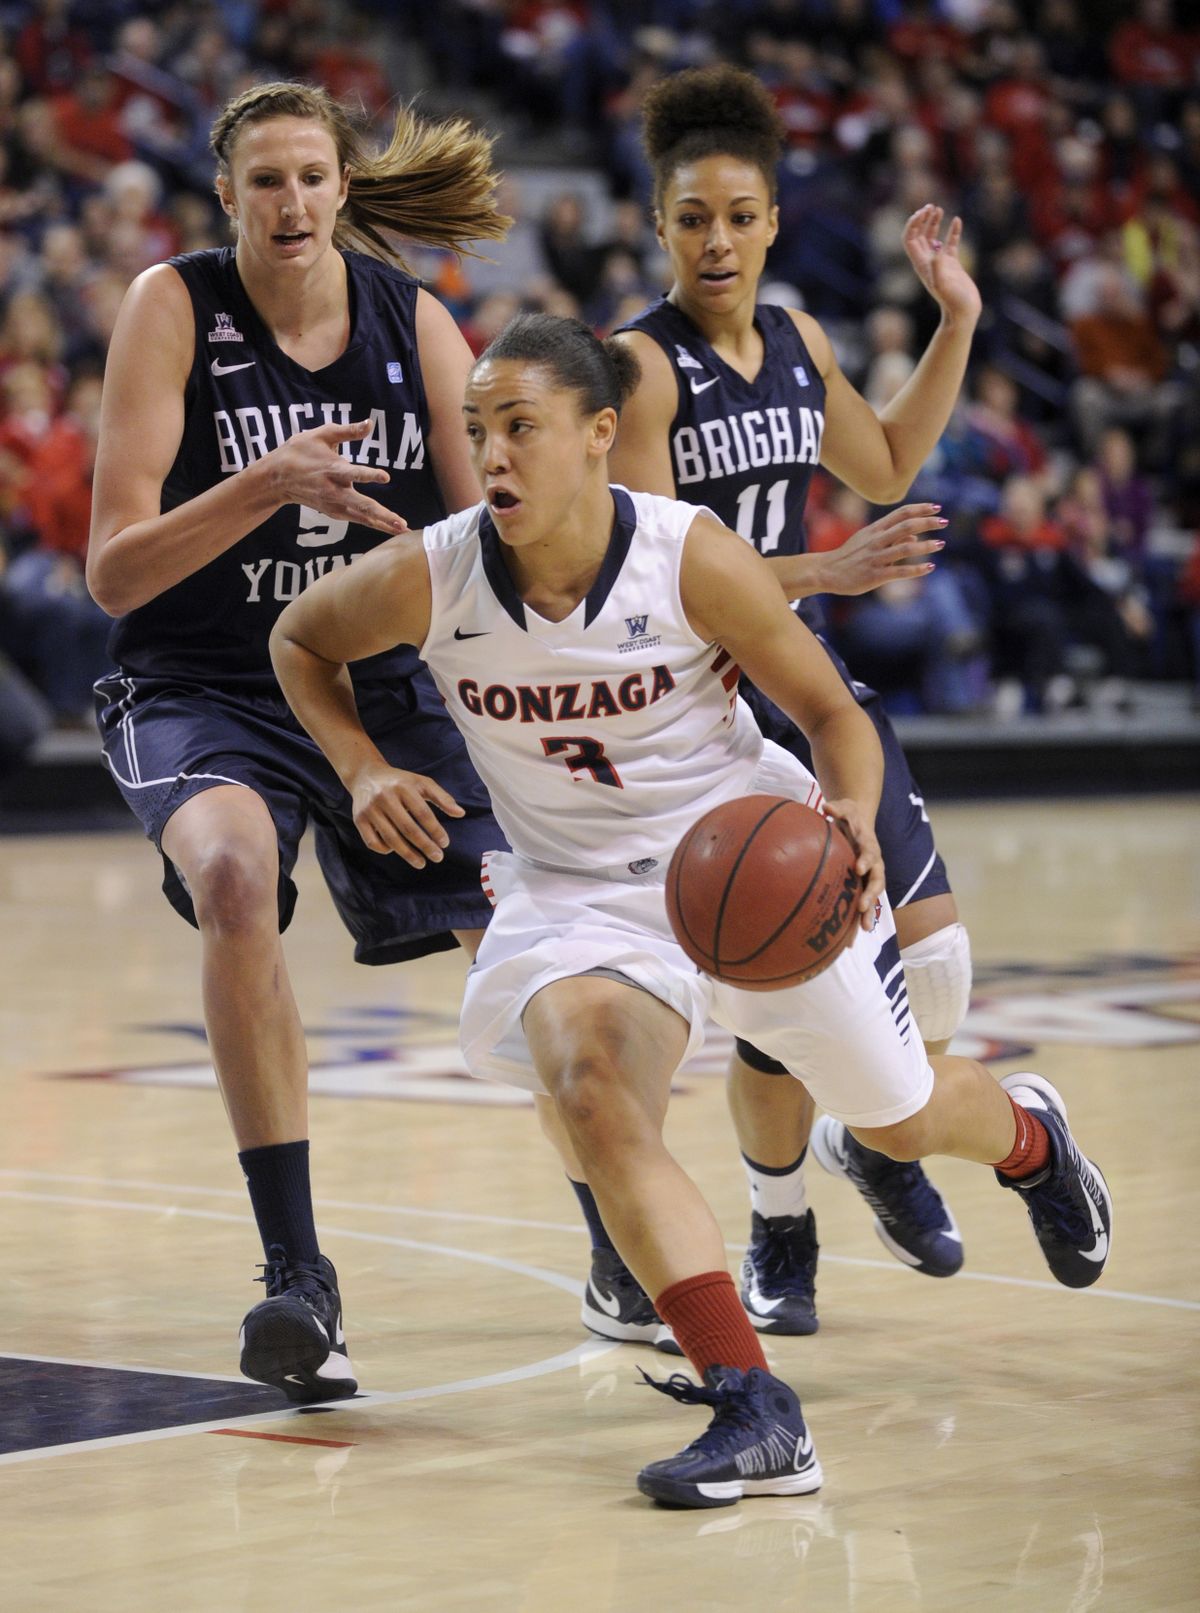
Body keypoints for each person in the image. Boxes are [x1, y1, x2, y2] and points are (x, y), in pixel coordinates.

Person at [269, 313, 1111, 1508]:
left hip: (747, 862)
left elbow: (832, 713)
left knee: (902, 1116)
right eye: (476, 432)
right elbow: (300, 636)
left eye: (520, 427)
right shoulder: (437, 570)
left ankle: (1032, 1138)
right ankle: (754, 1402)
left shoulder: (688, 554)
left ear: (600, 434)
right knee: (592, 1085)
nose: (492, 455)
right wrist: (358, 766)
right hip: (580, 894)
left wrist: (855, 812)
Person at [543, 63, 984, 1349]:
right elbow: (654, 574)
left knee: (940, 969)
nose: (717, 240)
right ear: (660, 225)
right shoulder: (639, 366)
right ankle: (777, 1218)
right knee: (775, 968)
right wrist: (825, 570)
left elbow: (889, 461)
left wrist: (953, 320)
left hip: (805, 683)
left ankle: (870, 1136)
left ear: (774, 220)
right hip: (697, 705)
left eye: (739, 215)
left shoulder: (800, 342)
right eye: (692, 219)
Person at [85, 81, 510, 1405]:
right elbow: (112, 570)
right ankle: (298, 1280)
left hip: (372, 682)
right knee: (229, 879)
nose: (292, 203)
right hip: (206, 679)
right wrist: (264, 483)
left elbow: (483, 533)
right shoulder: (175, 307)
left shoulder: (413, 320)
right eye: (265, 181)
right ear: (227, 198)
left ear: (343, 187)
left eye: (313, 177)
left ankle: (626, 1242)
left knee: (530, 925)